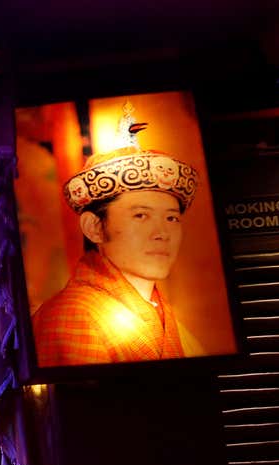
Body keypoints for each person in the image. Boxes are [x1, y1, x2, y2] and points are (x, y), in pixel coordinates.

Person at [33, 103, 198, 367]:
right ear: (94, 227)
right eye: (141, 215)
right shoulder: (70, 317)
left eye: (171, 218)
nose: (162, 233)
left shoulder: (159, 309)